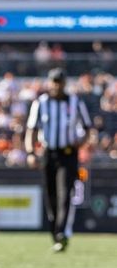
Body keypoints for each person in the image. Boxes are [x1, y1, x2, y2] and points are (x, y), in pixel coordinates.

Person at [25, 68, 91, 252]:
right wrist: (30, 153)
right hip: (49, 153)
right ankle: (55, 233)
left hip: (68, 153)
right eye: (54, 81)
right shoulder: (41, 103)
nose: (57, 85)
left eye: (59, 81)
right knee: (51, 195)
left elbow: (87, 127)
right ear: (49, 83)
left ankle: (62, 231)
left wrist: (81, 142)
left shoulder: (75, 102)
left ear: (64, 83)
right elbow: (31, 129)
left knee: (65, 192)